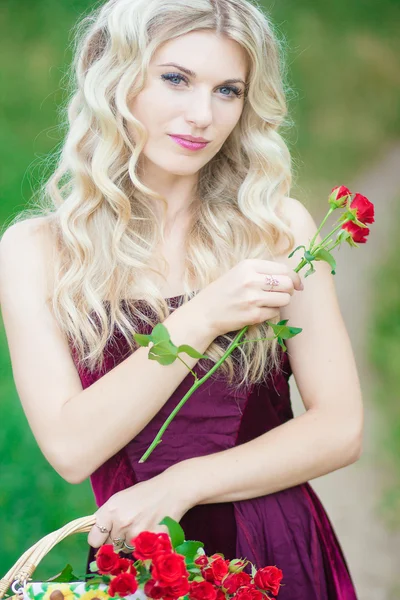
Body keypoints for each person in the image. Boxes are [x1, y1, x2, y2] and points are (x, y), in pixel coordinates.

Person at [0, 0, 363, 598]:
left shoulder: (277, 230)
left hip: (275, 552)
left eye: (228, 90)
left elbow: (340, 428)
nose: (202, 115)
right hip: (143, 567)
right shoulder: (37, 252)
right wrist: (202, 316)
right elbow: (70, 448)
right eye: (175, 79)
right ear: (112, 76)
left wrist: (186, 482)